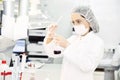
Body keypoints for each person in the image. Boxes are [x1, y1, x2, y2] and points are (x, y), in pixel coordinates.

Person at [43, 6, 104, 80]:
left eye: (78, 21)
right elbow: (53, 53)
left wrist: (67, 46)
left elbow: (87, 66)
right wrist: (50, 35)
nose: (75, 25)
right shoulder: (73, 39)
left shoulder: (97, 42)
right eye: (73, 22)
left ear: (89, 21)